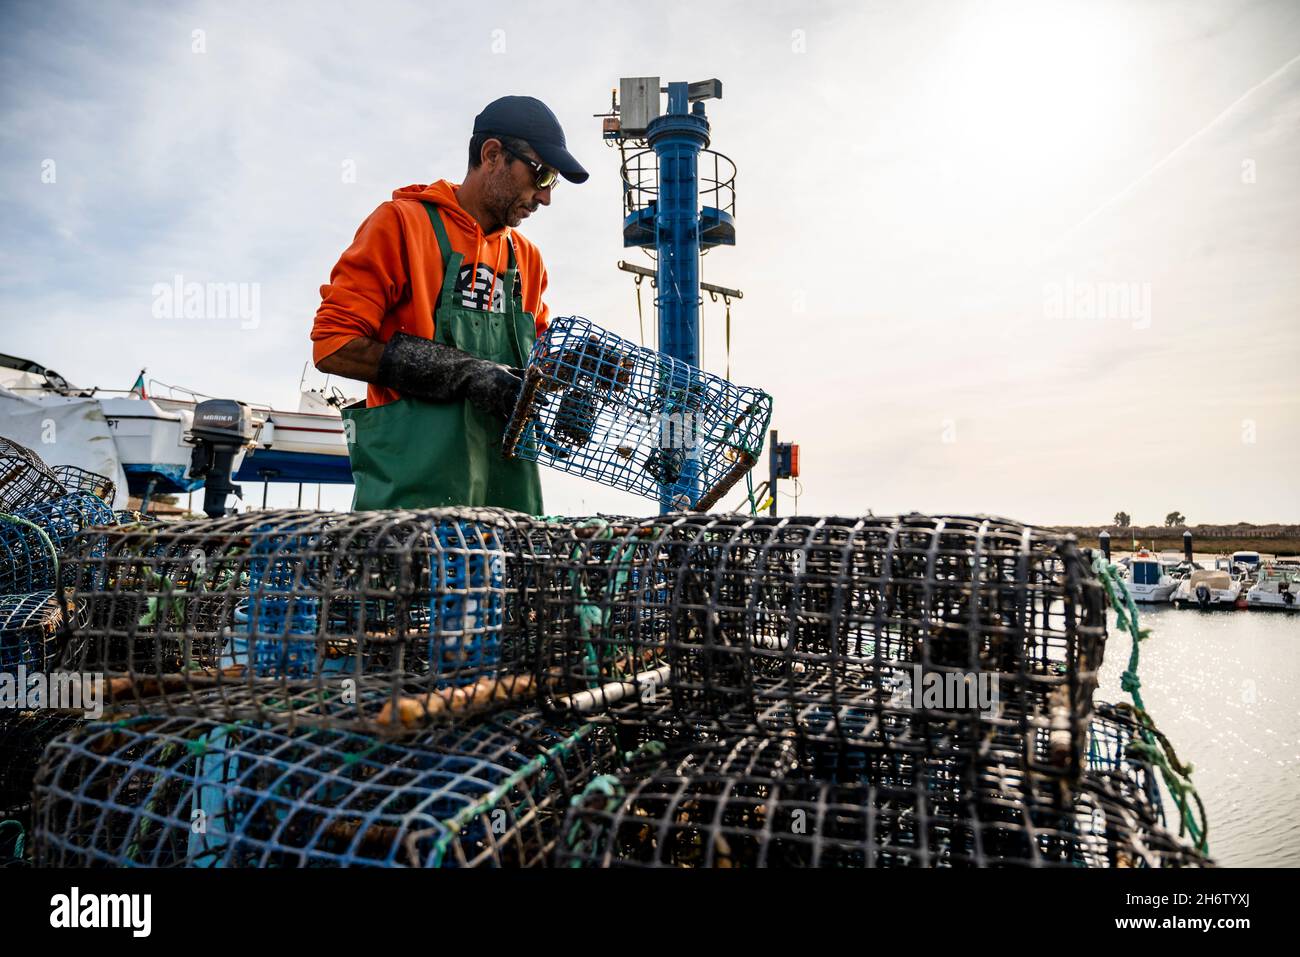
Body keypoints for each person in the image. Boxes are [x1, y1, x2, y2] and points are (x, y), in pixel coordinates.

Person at [311, 95, 588, 512]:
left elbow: (535, 365)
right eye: (542, 175)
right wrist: (465, 373)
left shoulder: (527, 260)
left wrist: (577, 372)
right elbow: (333, 345)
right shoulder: (401, 224)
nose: (545, 197)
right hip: (411, 501)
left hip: (506, 505)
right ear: (492, 154)